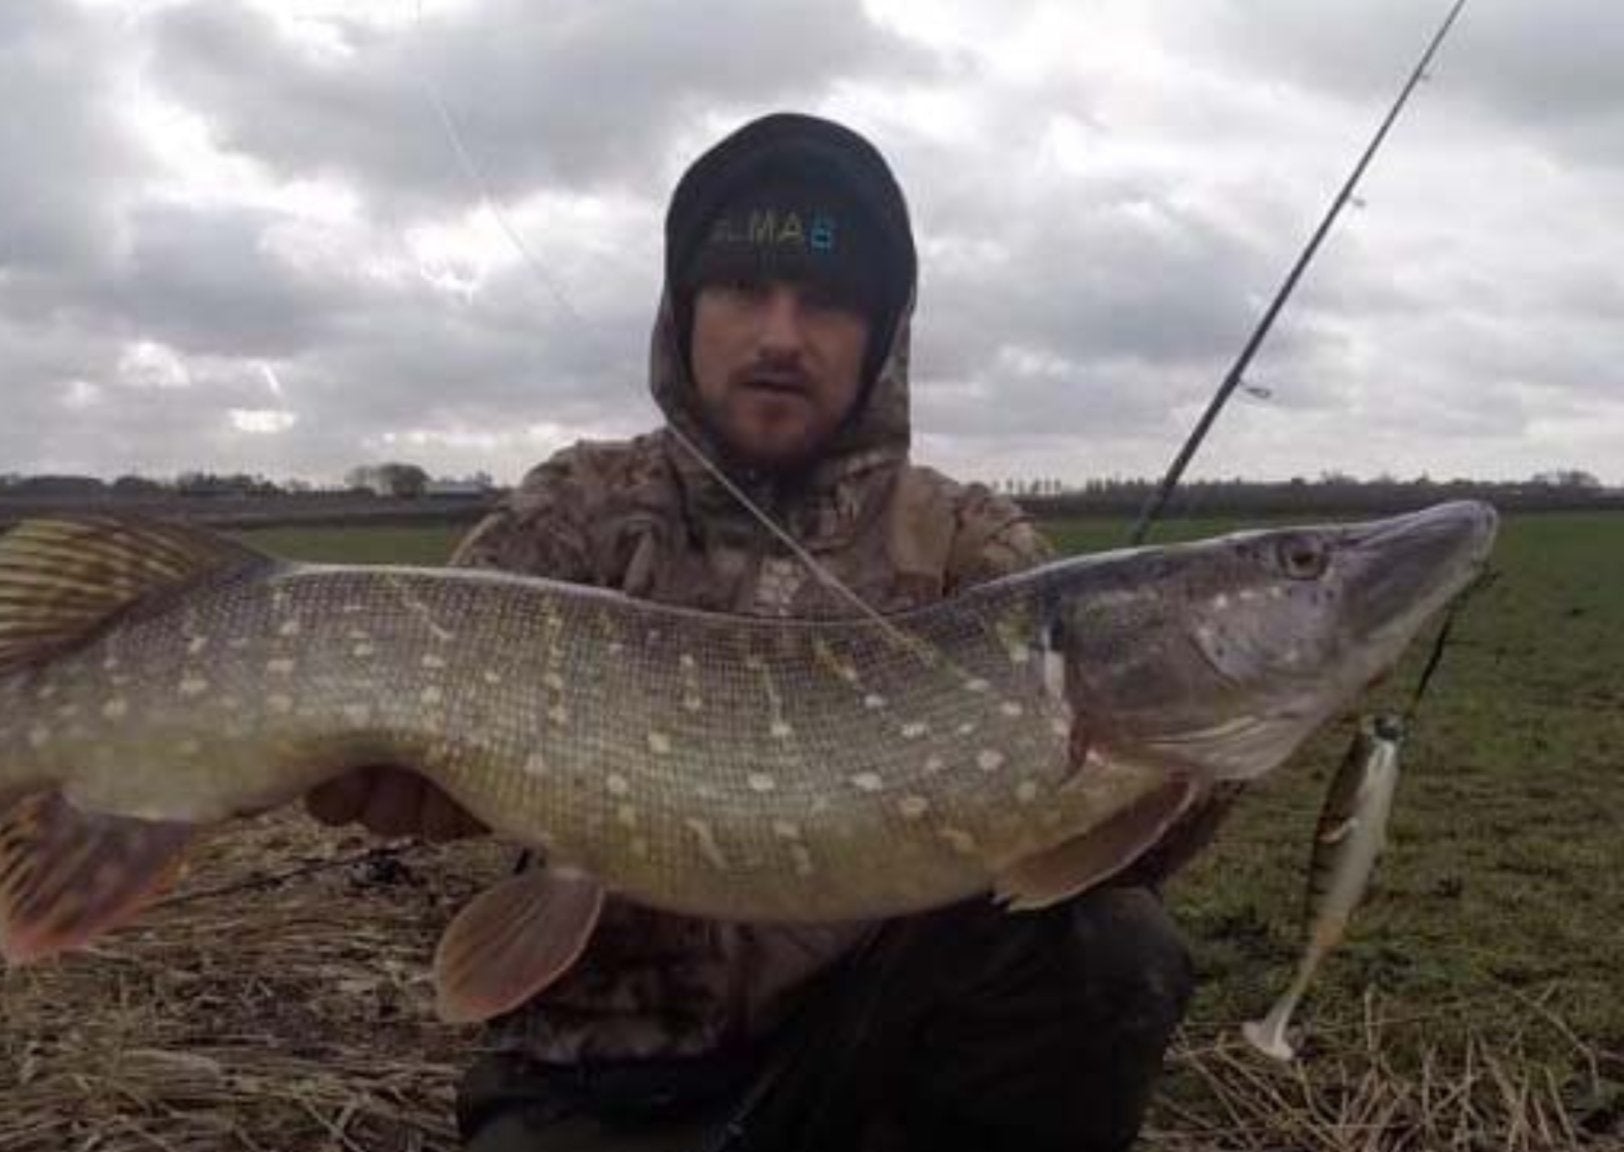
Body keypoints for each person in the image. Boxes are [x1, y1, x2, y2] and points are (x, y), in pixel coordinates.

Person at [306, 111, 1198, 1152]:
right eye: (740, 288)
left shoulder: (968, 543)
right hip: (595, 1077)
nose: (780, 334)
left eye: (826, 299)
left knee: (1109, 949)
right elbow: (437, 724)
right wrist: (414, 780)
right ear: (683, 311)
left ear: (880, 336)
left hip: (868, 1059)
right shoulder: (582, 509)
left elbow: (1105, 860)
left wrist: (1193, 760)